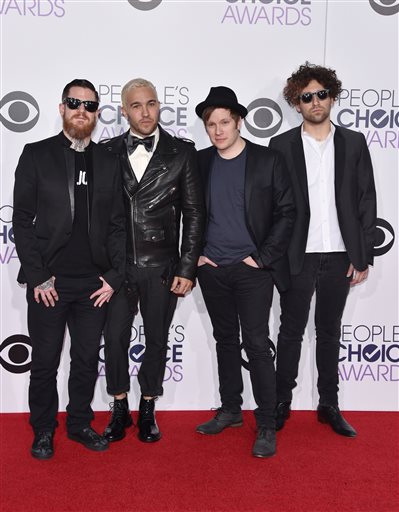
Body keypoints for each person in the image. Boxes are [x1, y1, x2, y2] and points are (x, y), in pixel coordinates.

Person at [12, 79, 126, 459]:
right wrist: (38, 274)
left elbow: (118, 225)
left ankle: (78, 423)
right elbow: (22, 220)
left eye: (90, 105)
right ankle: (43, 429)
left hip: (94, 284)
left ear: (97, 114)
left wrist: (113, 276)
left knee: (85, 360)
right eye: (74, 102)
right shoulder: (36, 154)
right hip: (50, 282)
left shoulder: (109, 161)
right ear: (62, 108)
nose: (82, 110)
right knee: (44, 362)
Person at [269, 63, 377, 437]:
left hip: (339, 255)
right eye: (307, 97)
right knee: (290, 331)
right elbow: (273, 205)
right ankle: (281, 401)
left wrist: (362, 256)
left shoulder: (354, 142)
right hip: (297, 254)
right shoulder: (280, 145)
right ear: (296, 104)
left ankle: (328, 404)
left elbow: (366, 201)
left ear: (332, 96)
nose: (316, 102)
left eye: (322, 94)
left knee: (329, 331)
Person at [194, 86, 295, 457]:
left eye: (224, 122)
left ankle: (266, 423)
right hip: (212, 268)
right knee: (223, 340)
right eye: (211, 124)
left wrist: (263, 258)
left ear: (239, 122)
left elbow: (288, 212)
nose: (218, 130)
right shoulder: (201, 162)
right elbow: (187, 214)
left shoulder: (267, 161)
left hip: (253, 270)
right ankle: (231, 410)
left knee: (256, 344)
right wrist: (197, 256)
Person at [101, 78, 204, 443]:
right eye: (136, 105)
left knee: (157, 339)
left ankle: (147, 407)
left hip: (162, 265)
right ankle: (118, 407)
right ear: (124, 111)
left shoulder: (182, 152)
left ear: (159, 106)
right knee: (114, 338)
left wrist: (186, 267)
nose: (145, 113)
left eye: (151, 104)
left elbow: (194, 213)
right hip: (116, 267)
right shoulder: (106, 151)